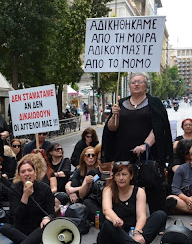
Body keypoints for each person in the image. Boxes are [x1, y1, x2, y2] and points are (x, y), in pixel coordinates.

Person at [103, 72, 172, 213]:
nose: (136, 84)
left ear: (146, 85)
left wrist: (146, 145)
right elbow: (111, 128)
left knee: (153, 187)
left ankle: (156, 217)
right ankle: (126, 217)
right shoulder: (120, 103)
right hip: (124, 153)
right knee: (124, 186)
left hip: (149, 154)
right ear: (129, 86)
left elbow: (159, 127)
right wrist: (114, 115)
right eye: (133, 82)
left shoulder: (154, 102)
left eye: (140, 81)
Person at [97, 162, 167, 244]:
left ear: (131, 176)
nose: (121, 178)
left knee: (160, 215)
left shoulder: (139, 191)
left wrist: (137, 233)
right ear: (114, 177)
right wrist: (115, 219)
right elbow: (107, 210)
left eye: (124, 174)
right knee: (108, 224)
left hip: (132, 232)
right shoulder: (108, 189)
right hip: (113, 235)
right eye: (118, 175)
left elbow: (141, 216)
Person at [0, 159, 55, 244]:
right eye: (23, 172)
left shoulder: (45, 188)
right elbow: (16, 216)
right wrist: (25, 196)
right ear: (19, 175)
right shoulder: (14, 190)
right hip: (22, 227)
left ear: (35, 173)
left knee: (47, 225)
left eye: (30, 170)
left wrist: (47, 218)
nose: (27, 174)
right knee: (4, 228)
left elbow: (51, 212)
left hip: (39, 227)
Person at [65, 147, 103, 221]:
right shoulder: (80, 170)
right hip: (79, 196)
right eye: (88, 155)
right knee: (74, 182)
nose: (91, 158)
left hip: (92, 197)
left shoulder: (98, 171)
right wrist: (71, 192)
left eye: (93, 155)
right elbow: (69, 183)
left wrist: (74, 189)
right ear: (83, 158)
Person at [166, 145, 192, 215]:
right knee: (171, 199)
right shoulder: (181, 169)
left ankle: (181, 210)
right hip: (184, 199)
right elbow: (175, 189)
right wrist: (187, 199)